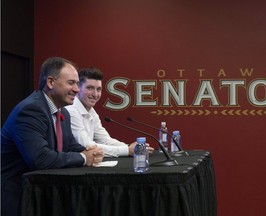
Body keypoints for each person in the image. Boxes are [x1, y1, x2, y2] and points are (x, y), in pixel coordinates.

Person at [1, 57, 104, 216]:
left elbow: (69, 145)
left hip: (42, 193)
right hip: (16, 197)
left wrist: (90, 151)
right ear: (50, 82)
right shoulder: (30, 110)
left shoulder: (62, 112)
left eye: (77, 84)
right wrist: (84, 158)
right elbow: (40, 158)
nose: (77, 89)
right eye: (71, 83)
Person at [65, 67, 154, 157]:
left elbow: (105, 140)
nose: (95, 94)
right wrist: (127, 150)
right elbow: (87, 146)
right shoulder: (71, 109)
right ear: (78, 88)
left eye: (98, 89)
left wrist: (130, 147)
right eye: (90, 88)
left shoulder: (91, 111)